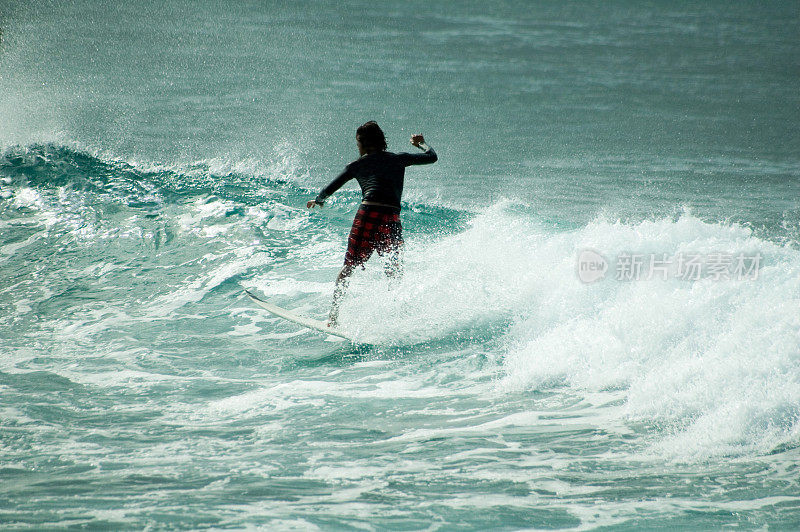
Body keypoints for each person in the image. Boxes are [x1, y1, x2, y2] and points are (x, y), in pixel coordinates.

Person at [306, 121, 438, 327]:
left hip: (369, 213)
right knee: (394, 267)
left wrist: (319, 201)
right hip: (391, 216)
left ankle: (333, 317)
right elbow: (432, 157)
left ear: (365, 144)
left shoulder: (356, 165)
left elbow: (330, 187)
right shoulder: (398, 159)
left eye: (358, 142)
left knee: (349, 266)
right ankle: (396, 316)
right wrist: (421, 143)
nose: (357, 146)